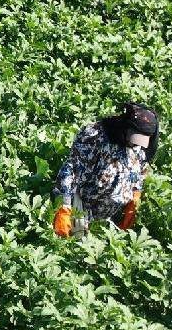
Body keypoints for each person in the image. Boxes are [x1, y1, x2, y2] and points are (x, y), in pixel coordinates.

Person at [52, 102, 159, 238]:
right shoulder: (95, 136)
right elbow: (71, 169)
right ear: (125, 126)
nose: (135, 144)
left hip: (111, 215)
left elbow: (140, 168)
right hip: (83, 206)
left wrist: (135, 195)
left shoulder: (140, 146)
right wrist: (64, 206)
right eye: (133, 138)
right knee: (73, 243)